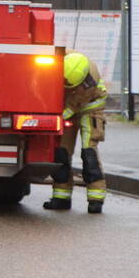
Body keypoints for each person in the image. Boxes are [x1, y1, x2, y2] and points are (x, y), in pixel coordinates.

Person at [44, 52, 108, 214]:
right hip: (67, 109)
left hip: (90, 110)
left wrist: (54, 121)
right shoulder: (66, 58)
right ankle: (61, 197)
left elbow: (72, 107)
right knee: (61, 153)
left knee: (89, 153)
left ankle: (95, 199)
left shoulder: (88, 82)